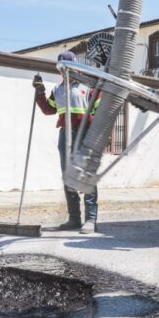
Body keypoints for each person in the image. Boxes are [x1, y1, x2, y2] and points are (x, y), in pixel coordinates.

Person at [32, 51, 99, 234]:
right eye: (61, 69)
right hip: (65, 134)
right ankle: (74, 219)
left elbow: (99, 110)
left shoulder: (88, 86)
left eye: (67, 68)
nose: (64, 72)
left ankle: (90, 219)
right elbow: (49, 109)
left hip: (85, 133)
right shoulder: (58, 89)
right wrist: (40, 92)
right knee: (68, 175)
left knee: (85, 175)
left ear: (75, 67)